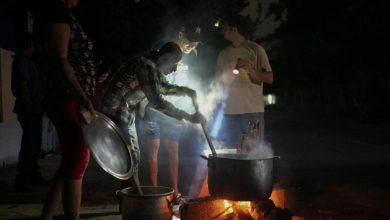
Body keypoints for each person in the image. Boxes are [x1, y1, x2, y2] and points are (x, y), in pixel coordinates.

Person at [101, 42, 205, 191]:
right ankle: (132, 198)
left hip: (125, 110)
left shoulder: (152, 67)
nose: (175, 68)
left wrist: (186, 90)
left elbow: (164, 87)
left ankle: (128, 198)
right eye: (174, 63)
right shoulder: (146, 66)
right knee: (131, 157)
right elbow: (157, 100)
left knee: (132, 157)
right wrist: (187, 116)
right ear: (164, 58)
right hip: (116, 109)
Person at [35, 0, 98, 219]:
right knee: (79, 156)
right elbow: (61, 59)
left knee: (71, 159)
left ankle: (46, 217)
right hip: (65, 95)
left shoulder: (61, 12)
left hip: (69, 95)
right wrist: (83, 97)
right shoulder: (56, 11)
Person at [215, 15, 274, 150]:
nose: (223, 32)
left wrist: (251, 70)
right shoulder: (223, 54)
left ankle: (254, 172)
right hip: (229, 113)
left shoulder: (256, 50)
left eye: (225, 29)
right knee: (231, 152)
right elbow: (217, 83)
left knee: (254, 151)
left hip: (252, 111)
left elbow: (269, 78)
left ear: (234, 30)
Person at [11, 35, 47, 191]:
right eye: (32, 45)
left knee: (33, 144)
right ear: (27, 46)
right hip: (29, 109)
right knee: (30, 145)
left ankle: (31, 175)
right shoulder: (22, 62)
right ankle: (23, 179)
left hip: (32, 108)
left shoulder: (26, 62)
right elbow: (23, 86)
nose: (34, 49)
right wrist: (30, 106)